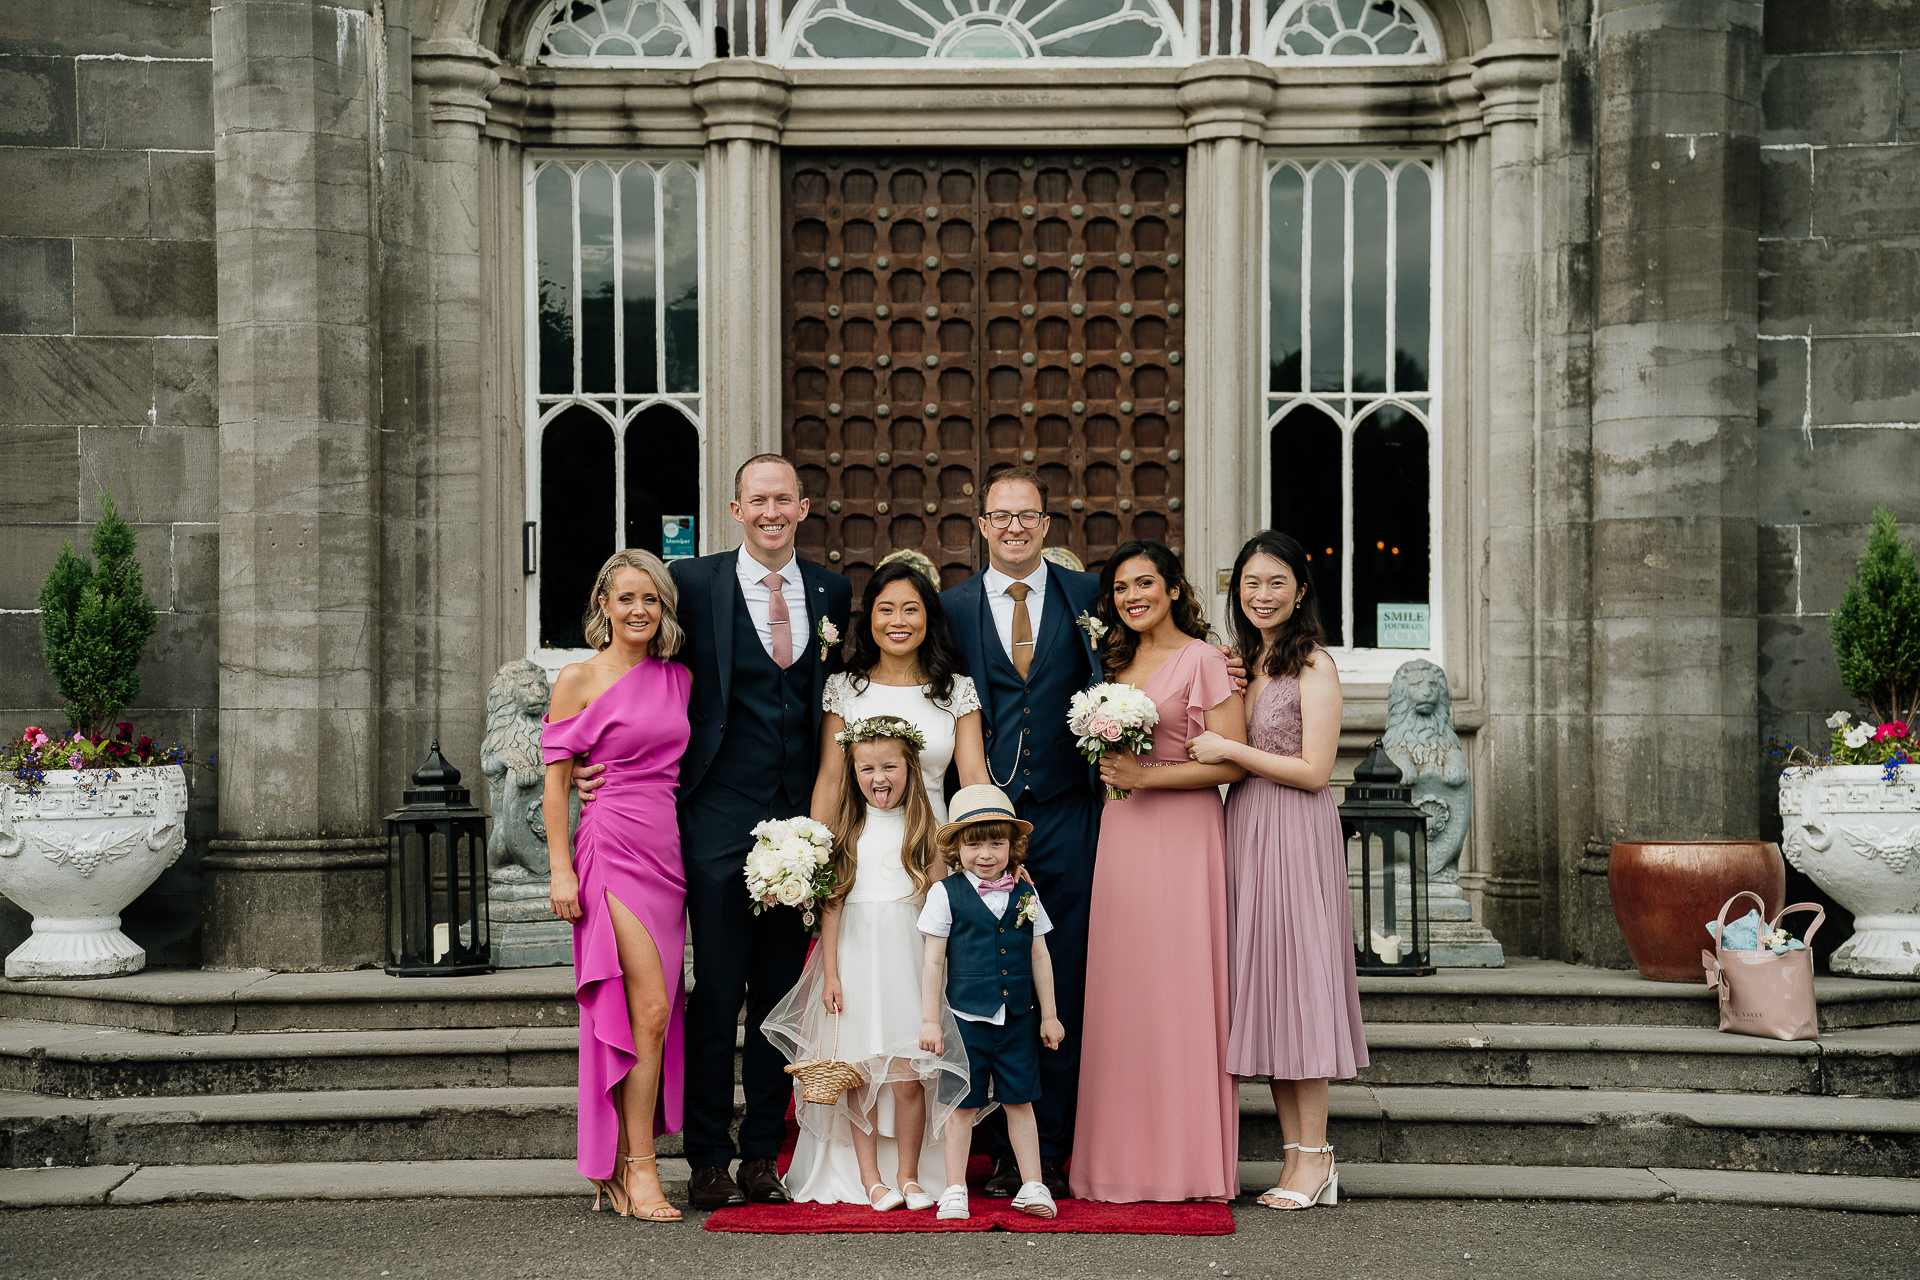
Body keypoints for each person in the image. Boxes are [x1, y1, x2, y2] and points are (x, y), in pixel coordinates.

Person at [658, 455, 854, 1209]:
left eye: (784, 500)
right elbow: (638, 666)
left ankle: (760, 1156)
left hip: (799, 825)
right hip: (714, 816)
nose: (772, 512)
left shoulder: (830, 591)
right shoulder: (694, 582)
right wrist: (587, 753)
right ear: (735, 510)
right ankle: (705, 1156)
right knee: (717, 997)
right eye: (757, 500)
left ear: (804, 508)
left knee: (778, 996)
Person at [1190, 531, 1367, 1211]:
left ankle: (1316, 1155)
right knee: (1265, 991)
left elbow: (1316, 771)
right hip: (1246, 829)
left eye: (1276, 583)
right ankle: (1297, 1157)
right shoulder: (1244, 663)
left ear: (1299, 590)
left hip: (1295, 830)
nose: (1262, 596)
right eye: (1251, 584)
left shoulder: (1314, 665)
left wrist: (1232, 747)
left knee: (1299, 990)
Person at [937, 466, 1100, 1197]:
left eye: (1026, 516)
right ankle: (1003, 1152)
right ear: (981, 525)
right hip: (984, 825)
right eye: (999, 516)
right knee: (987, 981)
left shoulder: (1089, 598)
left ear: (1045, 524)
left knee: (1057, 980)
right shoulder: (952, 607)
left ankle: (1056, 1146)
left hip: (1069, 815)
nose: (1013, 528)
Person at [1069, 539, 1247, 1204]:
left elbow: (1233, 762)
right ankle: (1115, 1163)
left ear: (1174, 588)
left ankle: (1187, 1164)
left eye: (1145, 583)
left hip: (1185, 833)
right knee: (1123, 995)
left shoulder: (1204, 661)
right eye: (1120, 589)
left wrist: (1150, 775)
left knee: (1178, 992)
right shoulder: (1112, 661)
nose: (1133, 597)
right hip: (1122, 834)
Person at [762, 716, 971, 1210]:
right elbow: (832, 908)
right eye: (866, 769)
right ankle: (872, 1179)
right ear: (853, 772)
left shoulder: (927, 832)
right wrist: (830, 973)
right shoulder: (845, 832)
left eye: (889, 767)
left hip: (907, 961)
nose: (879, 778)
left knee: (908, 1075)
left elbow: (942, 907)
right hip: (855, 961)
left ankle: (910, 1176)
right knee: (857, 1072)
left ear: (911, 767)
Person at [541, 549, 691, 1222]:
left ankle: (631, 1165)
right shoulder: (577, 678)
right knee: (649, 1009)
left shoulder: (680, 679)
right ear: (603, 603)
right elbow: (554, 781)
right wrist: (559, 867)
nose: (639, 610)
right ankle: (638, 1169)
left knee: (656, 1014)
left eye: (651, 600)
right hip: (609, 848)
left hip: (667, 856)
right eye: (626, 597)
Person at [916, 784, 1066, 1221]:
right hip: (965, 1020)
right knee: (962, 1104)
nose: (986, 853)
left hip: (1018, 1018)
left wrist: (1050, 1015)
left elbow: (1040, 954)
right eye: (974, 842)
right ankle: (955, 1188)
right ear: (956, 847)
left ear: (1012, 846)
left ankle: (1033, 1184)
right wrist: (931, 1020)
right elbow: (932, 963)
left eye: (997, 842)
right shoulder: (945, 894)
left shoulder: (1026, 893)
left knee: (1021, 1100)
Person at [812, 558, 991, 827]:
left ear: (927, 617)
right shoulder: (843, 689)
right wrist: (817, 857)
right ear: (870, 616)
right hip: (859, 850)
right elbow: (830, 781)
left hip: (932, 850)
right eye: (886, 610)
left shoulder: (957, 691)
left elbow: (974, 780)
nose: (898, 621)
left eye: (910, 610)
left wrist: (991, 855)